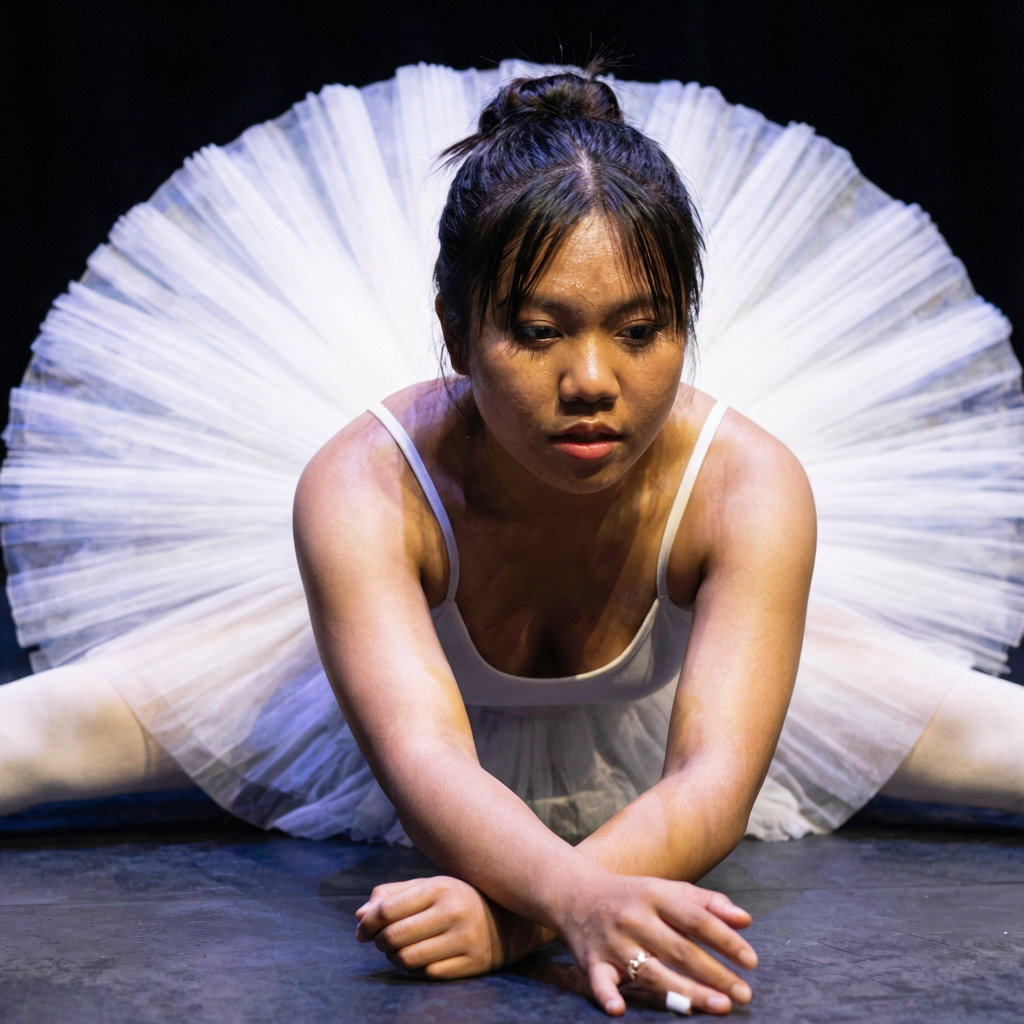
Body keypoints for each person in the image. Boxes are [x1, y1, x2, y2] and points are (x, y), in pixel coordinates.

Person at [1, 64, 1023, 1015]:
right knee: (37, 742)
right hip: (361, 686)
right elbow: (424, 756)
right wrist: (579, 902)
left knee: (997, 743)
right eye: (538, 334)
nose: (592, 381)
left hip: (675, 691)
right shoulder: (364, 486)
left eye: (640, 332)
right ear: (457, 331)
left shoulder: (747, 485)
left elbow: (711, 779)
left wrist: (518, 919)